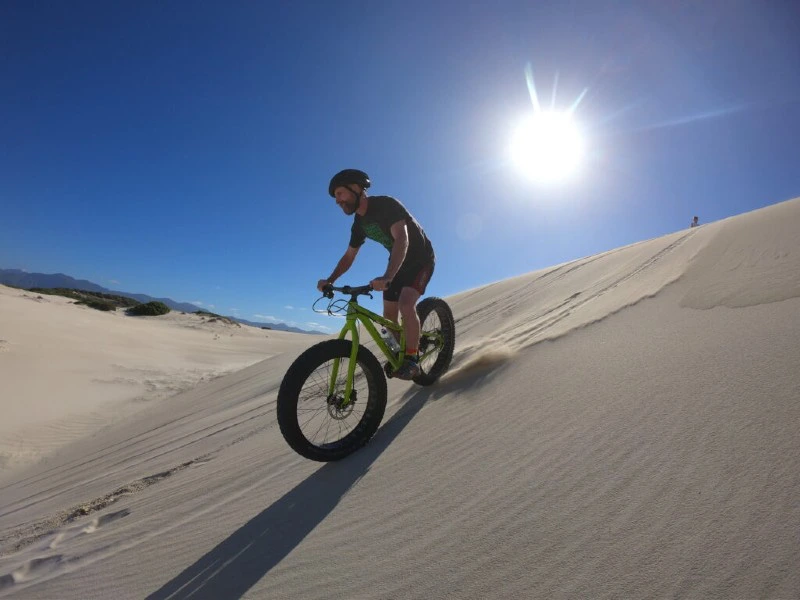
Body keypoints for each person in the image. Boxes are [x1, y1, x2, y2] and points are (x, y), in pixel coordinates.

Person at [317, 169, 435, 380]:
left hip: (420, 259)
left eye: (340, 193)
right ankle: (400, 354)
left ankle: (412, 359)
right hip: (397, 264)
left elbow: (402, 239)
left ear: (357, 188)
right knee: (388, 316)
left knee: (406, 304)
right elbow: (349, 256)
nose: (337, 201)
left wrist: (388, 276)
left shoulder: (386, 205)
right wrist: (330, 280)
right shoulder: (358, 225)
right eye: (336, 197)